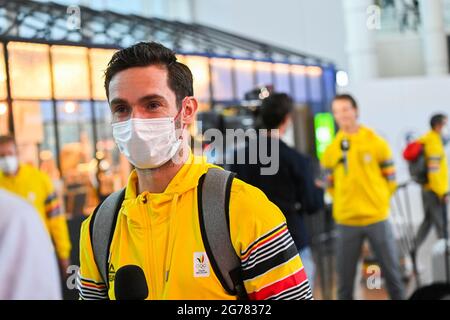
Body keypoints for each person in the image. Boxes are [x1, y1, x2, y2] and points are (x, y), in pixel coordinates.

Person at [77, 42, 312, 300]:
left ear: (186, 111)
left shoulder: (243, 209)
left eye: (152, 105)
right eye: (121, 109)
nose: (135, 122)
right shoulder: (99, 228)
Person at [229, 93, 323, 290]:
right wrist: (318, 189)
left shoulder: (240, 156)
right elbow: (311, 203)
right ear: (286, 119)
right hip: (291, 240)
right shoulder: (296, 159)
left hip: (249, 247)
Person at [321, 94, 405, 300]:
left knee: (393, 276)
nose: (342, 114)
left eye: (346, 109)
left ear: (355, 111)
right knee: (344, 285)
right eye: (337, 111)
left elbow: (391, 179)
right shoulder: (331, 150)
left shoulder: (376, 142)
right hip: (346, 221)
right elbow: (329, 185)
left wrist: (379, 200)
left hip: (377, 217)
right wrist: (343, 201)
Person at [0, 135, 72, 280]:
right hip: (6, 258)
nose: (6, 159)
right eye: (1, 156)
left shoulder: (40, 179)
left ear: (17, 154)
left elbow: (56, 219)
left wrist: (63, 254)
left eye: (10, 154)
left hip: (39, 252)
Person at [0, 189, 62, 300]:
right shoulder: (18, 214)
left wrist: (64, 252)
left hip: (36, 250)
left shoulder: (17, 215)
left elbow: (57, 220)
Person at [415, 114, 449, 250]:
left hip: (428, 188)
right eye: (445, 124)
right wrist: (442, 193)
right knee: (442, 226)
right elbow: (434, 171)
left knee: (428, 222)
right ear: (438, 125)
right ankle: (446, 257)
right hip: (434, 190)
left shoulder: (429, 139)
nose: (446, 127)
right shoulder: (433, 142)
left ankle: (413, 251)